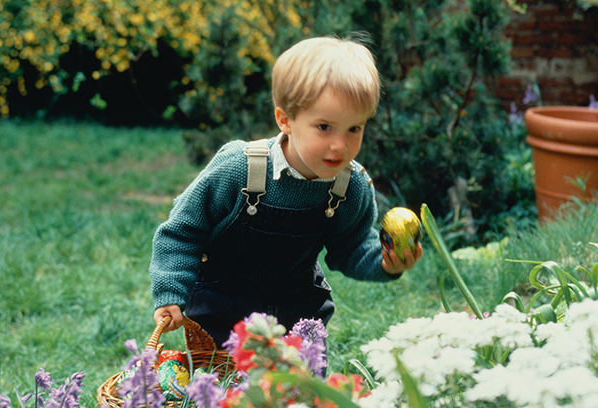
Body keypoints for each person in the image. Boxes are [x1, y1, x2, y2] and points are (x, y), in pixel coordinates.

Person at [149, 36, 422, 347]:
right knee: (225, 393)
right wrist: (171, 290)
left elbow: (354, 246)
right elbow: (183, 231)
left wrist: (385, 263)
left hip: (297, 313)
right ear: (285, 120)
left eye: (354, 129)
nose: (340, 145)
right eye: (324, 127)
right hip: (221, 309)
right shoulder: (240, 169)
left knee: (297, 394)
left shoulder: (350, 186)